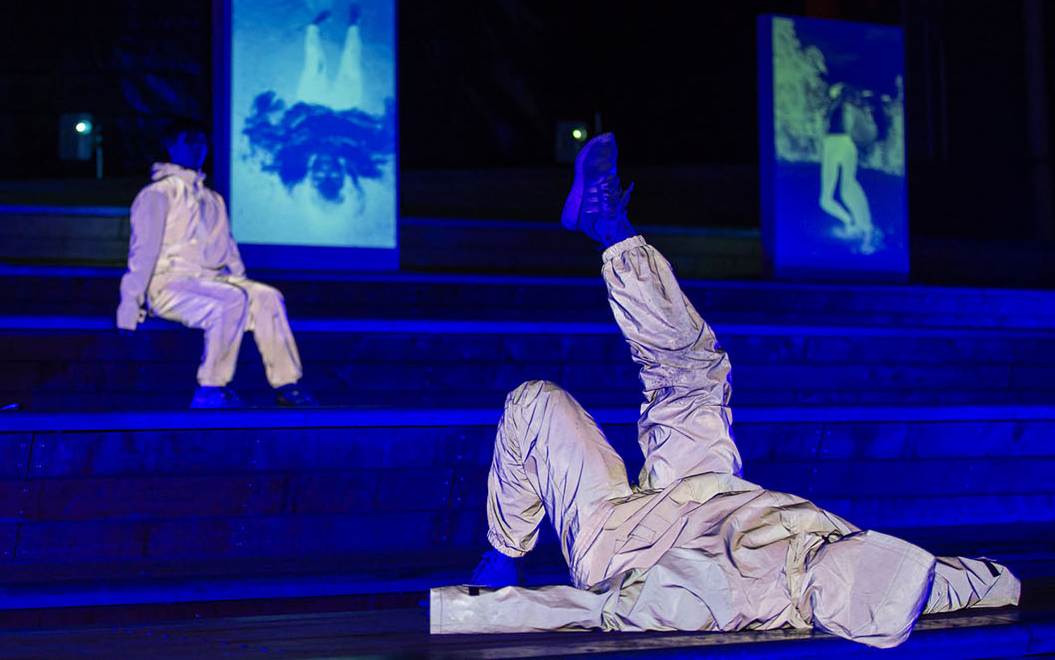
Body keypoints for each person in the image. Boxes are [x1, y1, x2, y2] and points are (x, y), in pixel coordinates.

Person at [430, 133, 1019, 648]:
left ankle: (504, 552)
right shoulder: (879, 573)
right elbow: (951, 583)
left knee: (535, 401)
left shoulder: (723, 601)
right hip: (706, 490)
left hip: (625, 546)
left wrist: (464, 607)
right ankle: (608, 227)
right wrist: (1004, 582)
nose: (843, 548)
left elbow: (597, 610)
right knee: (695, 368)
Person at [117, 119, 318, 409]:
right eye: (191, 141)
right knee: (230, 300)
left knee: (267, 297)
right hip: (170, 284)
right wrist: (130, 302)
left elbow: (229, 251)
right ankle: (210, 389)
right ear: (172, 146)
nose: (199, 147)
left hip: (211, 282)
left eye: (203, 142)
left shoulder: (213, 199)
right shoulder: (157, 194)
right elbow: (143, 251)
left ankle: (287, 384)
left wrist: (246, 286)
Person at [818, 83, 878, 254]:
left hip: (839, 144)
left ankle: (861, 226)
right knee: (835, 195)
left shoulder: (846, 109)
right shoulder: (845, 109)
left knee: (842, 191)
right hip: (840, 145)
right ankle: (857, 224)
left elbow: (868, 134)